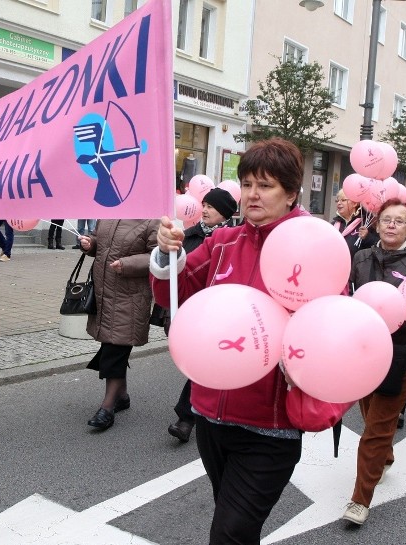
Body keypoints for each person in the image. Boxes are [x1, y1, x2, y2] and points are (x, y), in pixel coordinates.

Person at [151, 138, 307, 544]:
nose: (253, 194)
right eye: (248, 184)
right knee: (236, 526)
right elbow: (178, 294)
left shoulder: (312, 247)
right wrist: (168, 256)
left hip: (270, 424)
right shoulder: (224, 241)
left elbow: (329, 326)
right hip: (212, 414)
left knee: (230, 531)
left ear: (291, 193)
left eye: (266, 185)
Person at [342, 199, 406, 527]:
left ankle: (359, 500)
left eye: (400, 221)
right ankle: (386, 456)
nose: (392, 225)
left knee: (377, 428)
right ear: (378, 224)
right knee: (371, 418)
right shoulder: (361, 256)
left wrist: (392, 316)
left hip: (400, 357)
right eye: (386, 220)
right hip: (363, 351)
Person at [162, 187, 237, 443]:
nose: (204, 210)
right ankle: (198, 413)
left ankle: (186, 419)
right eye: (204, 204)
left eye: (212, 207)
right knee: (201, 365)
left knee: (202, 365)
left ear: (226, 214)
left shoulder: (233, 241)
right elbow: (176, 278)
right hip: (190, 313)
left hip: (220, 317)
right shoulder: (188, 236)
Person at [77, 219, 159, 431]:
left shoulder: (152, 220)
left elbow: (157, 256)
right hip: (104, 294)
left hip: (130, 296)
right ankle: (121, 396)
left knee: (115, 347)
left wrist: (128, 264)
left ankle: (107, 406)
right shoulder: (110, 212)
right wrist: (90, 244)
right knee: (111, 342)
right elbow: (99, 242)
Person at [333, 189, 378, 262]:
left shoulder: (367, 223)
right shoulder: (333, 225)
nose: (339, 203)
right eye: (337, 201)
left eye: (343, 200)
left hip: (357, 270)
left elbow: (380, 245)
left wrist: (367, 237)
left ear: (355, 203)